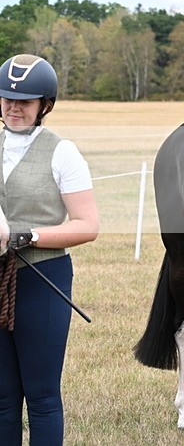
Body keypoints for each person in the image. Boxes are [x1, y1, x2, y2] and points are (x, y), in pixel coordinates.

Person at [0, 54, 99, 445]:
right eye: (7, 97)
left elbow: (88, 226)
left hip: (42, 278)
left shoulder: (62, 152)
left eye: (25, 100)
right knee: (3, 397)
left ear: (45, 104)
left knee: (40, 396)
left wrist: (26, 235)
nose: (13, 107)